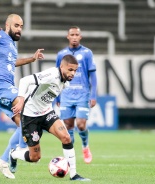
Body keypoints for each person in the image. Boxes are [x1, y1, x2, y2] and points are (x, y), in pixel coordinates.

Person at [0, 14, 44, 179]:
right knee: (29, 107)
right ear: (8, 25)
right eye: (16, 25)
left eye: (21, 26)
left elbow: (13, 62)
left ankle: (6, 160)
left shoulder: (12, 44)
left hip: (7, 87)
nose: (19, 29)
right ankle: (18, 151)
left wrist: (32, 59)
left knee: (24, 125)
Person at [10, 54, 90, 181]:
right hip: (30, 116)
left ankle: (74, 175)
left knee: (66, 138)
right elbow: (24, 81)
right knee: (35, 158)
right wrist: (20, 99)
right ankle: (13, 154)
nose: (73, 73)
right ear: (61, 66)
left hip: (47, 113)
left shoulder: (66, 83)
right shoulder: (52, 74)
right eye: (70, 70)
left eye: (75, 70)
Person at [55, 26, 97, 164]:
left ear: (80, 37)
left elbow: (93, 75)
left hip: (83, 94)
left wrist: (93, 95)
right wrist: (57, 96)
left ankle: (85, 146)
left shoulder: (87, 53)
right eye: (72, 34)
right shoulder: (62, 54)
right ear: (68, 36)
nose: (74, 37)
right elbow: (57, 76)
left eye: (76, 34)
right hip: (66, 94)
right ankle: (71, 156)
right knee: (68, 126)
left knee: (81, 124)